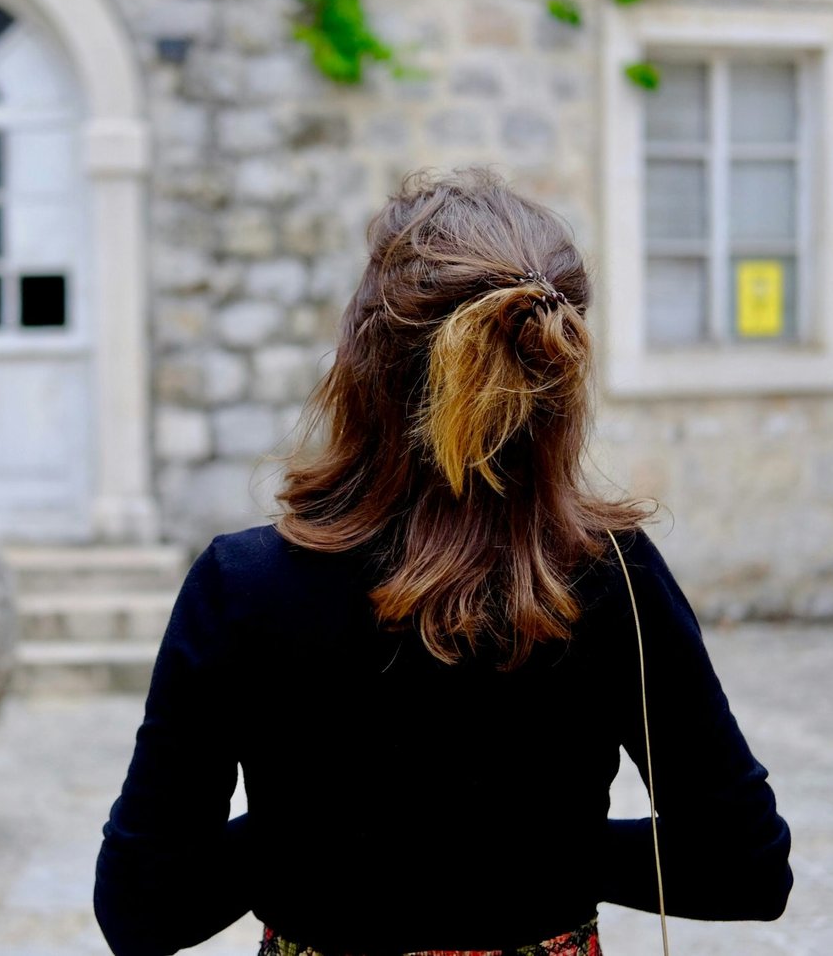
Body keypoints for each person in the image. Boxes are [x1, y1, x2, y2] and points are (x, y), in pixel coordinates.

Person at [95, 170, 792, 956]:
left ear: (364, 361)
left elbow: (141, 908)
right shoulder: (611, 576)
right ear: (554, 364)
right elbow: (744, 866)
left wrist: (307, 829)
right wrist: (548, 842)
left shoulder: (243, 585)